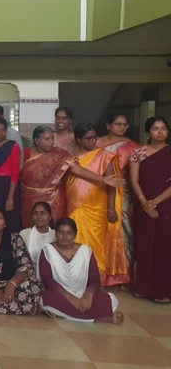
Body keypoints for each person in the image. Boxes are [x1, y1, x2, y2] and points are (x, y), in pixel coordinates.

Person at [21, 126, 122, 228]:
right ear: (36, 141)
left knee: (54, 229)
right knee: (29, 231)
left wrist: (103, 179)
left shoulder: (59, 154)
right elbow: (17, 175)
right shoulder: (25, 154)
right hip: (29, 200)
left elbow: (78, 170)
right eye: (47, 139)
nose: (51, 142)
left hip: (54, 200)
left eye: (52, 138)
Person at [67, 123, 128, 287]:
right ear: (78, 139)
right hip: (76, 206)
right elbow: (77, 171)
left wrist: (111, 208)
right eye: (88, 138)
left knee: (96, 243)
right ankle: (76, 278)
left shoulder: (104, 156)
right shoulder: (70, 157)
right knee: (75, 240)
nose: (93, 141)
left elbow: (111, 184)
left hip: (97, 208)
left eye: (95, 137)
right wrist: (102, 179)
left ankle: (97, 279)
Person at [39, 218, 123, 323]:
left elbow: (95, 280)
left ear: (75, 234)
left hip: (82, 294)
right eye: (61, 232)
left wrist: (88, 296)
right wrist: (70, 297)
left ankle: (69, 314)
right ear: (55, 233)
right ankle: (100, 318)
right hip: (60, 294)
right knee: (46, 299)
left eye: (69, 233)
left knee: (112, 299)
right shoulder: (47, 250)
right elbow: (48, 281)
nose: (64, 237)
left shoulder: (86, 251)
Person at [129, 116, 171, 303]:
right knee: (144, 245)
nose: (160, 132)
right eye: (155, 128)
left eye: (163, 128)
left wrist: (155, 202)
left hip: (166, 204)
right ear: (148, 132)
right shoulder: (138, 153)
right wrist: (144, 203)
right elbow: (134, 181)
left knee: (164, 246)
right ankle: (142, 288)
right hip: (142, 204)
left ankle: (162, 291)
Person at [96, 113, 140, 269]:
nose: (122, 127)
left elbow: (137, 177)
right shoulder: (96, 143)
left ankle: (123, 270)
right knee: (100, 230)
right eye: (118, 124)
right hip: (98, 191)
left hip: (123, 193)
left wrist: (134, 201)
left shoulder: (133, 147)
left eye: (125, 124)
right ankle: (102, 269)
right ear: (108, 125)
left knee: (123, 229)